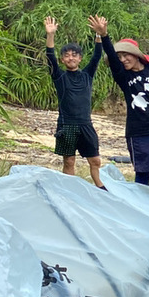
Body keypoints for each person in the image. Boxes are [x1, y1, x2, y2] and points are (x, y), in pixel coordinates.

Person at [91, 17, 149, 186]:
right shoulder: (124, 76)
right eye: (119, 57)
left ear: (136, 55)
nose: (123, 59)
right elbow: (110, 53)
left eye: (126, 55)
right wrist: (104, 35)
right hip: (139, 130)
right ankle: (140, 205)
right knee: (143, 172)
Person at [44, 15, 105, 188]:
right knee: (69, 161)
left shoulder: (87, 75)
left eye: (74, 55)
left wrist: (99, 35)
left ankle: (101, 187)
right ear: (62, 59)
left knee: (95, 160)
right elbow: (50, 58)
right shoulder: (59, 77)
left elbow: (97, 56)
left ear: (80, 58)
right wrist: (50, 35)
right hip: (66, 125)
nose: (70, 58)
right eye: (67, 56)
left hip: (86, 124)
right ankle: (69, 190)